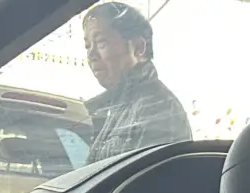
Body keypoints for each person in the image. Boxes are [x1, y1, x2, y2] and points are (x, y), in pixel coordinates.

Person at [82, 2, 192, 163]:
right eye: (87, 46)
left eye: (101, 43)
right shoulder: (119, 107)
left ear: (139, 48)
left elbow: (150, 176)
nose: (91, 54)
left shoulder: (156, 108)